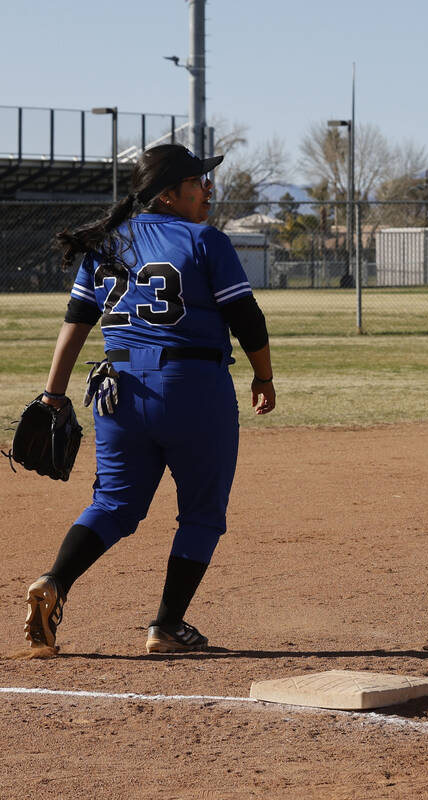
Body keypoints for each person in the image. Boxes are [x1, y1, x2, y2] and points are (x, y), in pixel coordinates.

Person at [21, 143, 276, 657]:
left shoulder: (106, 243)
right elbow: (247, 318)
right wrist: (263, 377)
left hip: (116, 391)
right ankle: (166, 627)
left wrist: (53, 394)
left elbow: (75, 324)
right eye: (198, 181)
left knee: (113, 505)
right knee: (202, 514)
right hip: (191, 388)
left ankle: (55, 581)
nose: (208, 189)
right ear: (168, 194)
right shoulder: (207, 240)